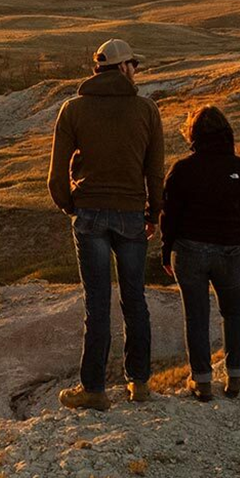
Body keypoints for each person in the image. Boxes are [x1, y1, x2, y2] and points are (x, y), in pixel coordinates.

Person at [48, 38, 164, 411]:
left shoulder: (73, 109)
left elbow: (55, 177)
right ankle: (139, 384)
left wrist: (72, 207)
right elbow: (155, 173)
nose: (138, 72)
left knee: (96, 304)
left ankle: (95, 390)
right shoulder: (147, 110)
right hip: (131, 214)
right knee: (135, 300)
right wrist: (153, 214)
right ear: (125, 68)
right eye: (135, 65)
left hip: (90, 214)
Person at [160, 106, 240, 401]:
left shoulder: (183, 169)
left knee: (196, 315)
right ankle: (236, 374)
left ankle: (202, 380)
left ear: (194, 135)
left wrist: (166, 251)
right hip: (229, 248)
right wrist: (237, 240)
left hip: (190, 249)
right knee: (234, 311)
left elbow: (170, 215)